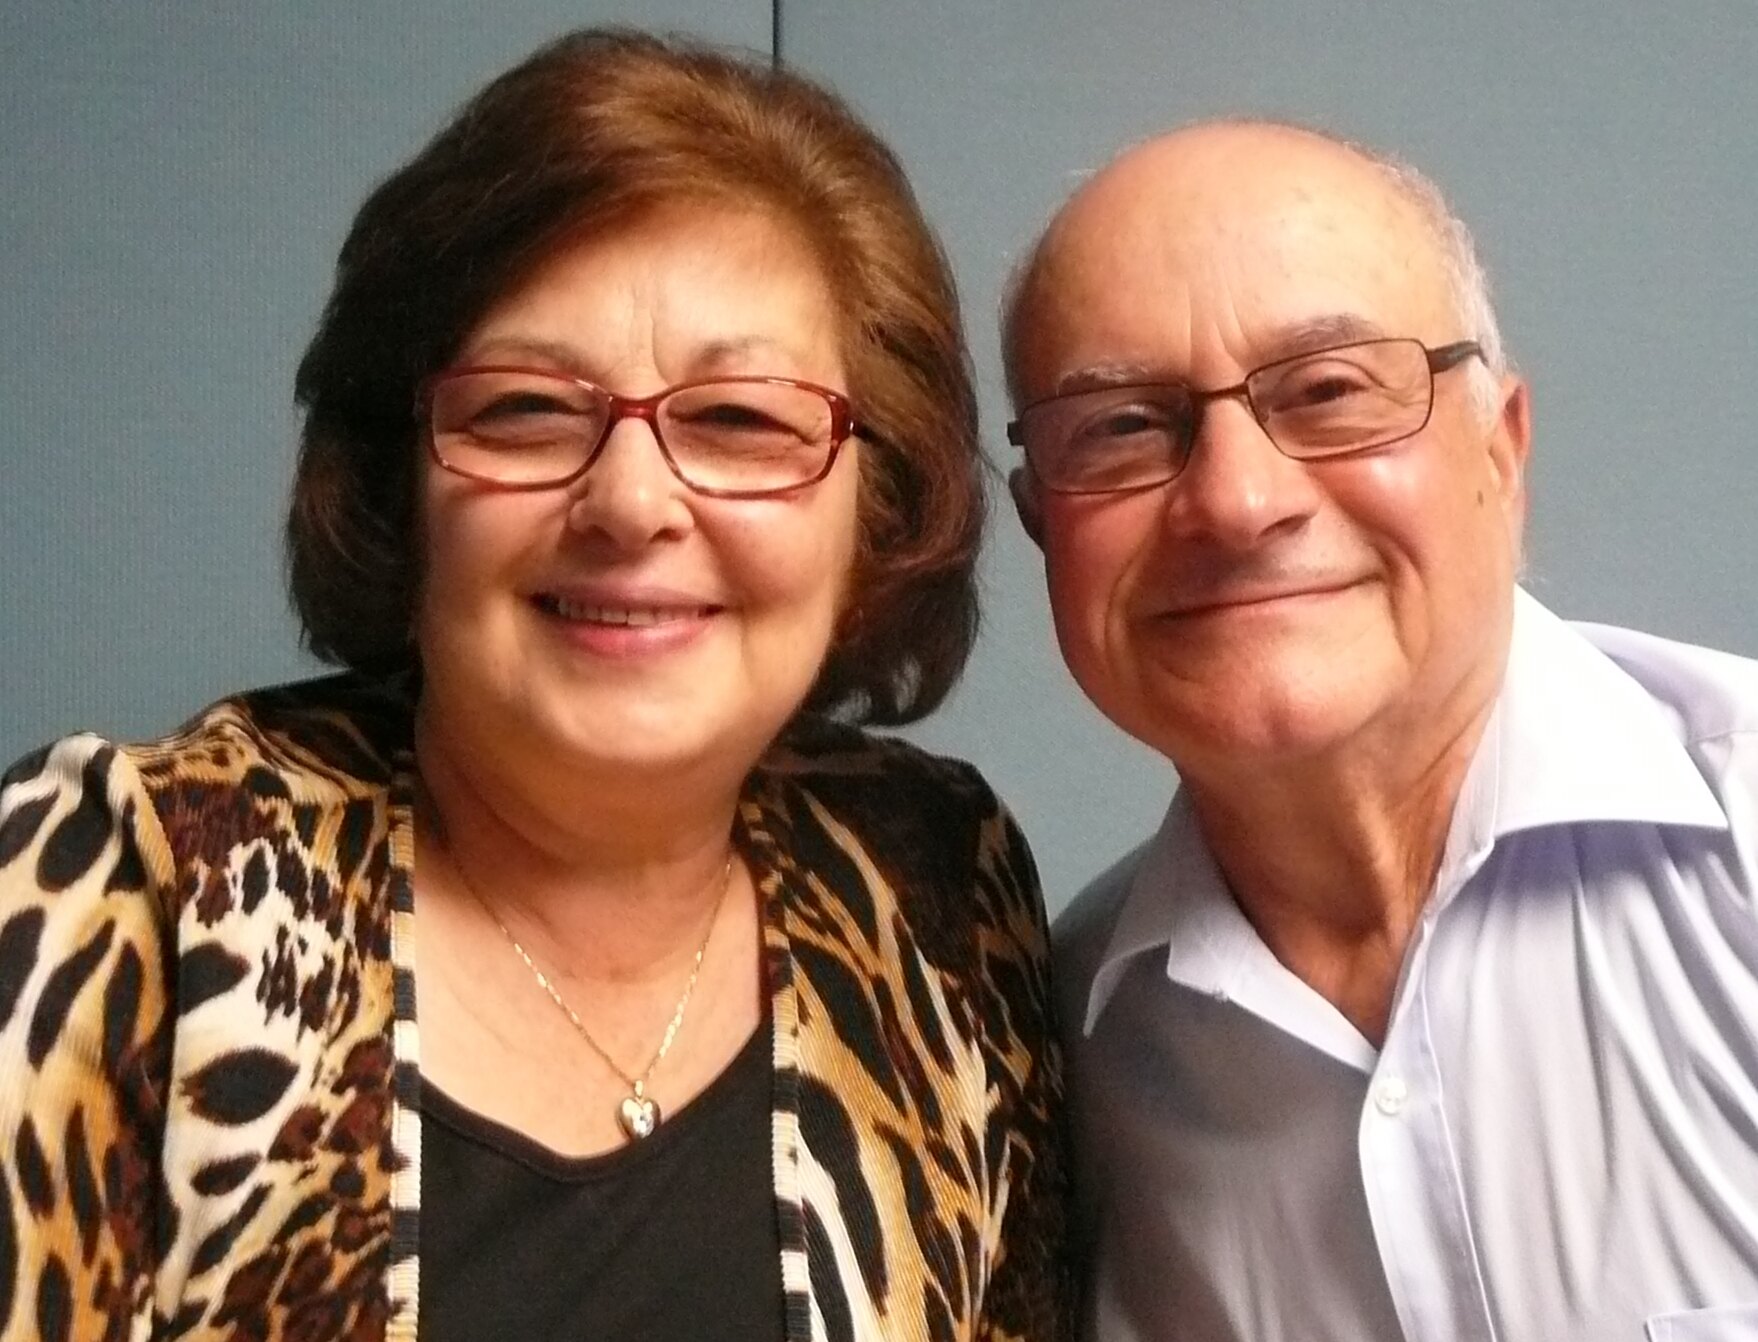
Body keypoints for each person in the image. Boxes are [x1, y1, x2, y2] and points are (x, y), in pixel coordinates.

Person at [0, 28, 1069, 1342]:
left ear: (877, 510)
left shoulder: (939, 889)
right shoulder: (135, 885)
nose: (630, 502)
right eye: (526, 409)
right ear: (403, 486)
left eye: (739, 419)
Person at [1003, 119, 1758, 1342]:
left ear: (1501, 450)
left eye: (1330, 392)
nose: (1238, 500)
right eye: (1125, 426)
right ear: (1042, 522)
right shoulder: (1056, 1060)